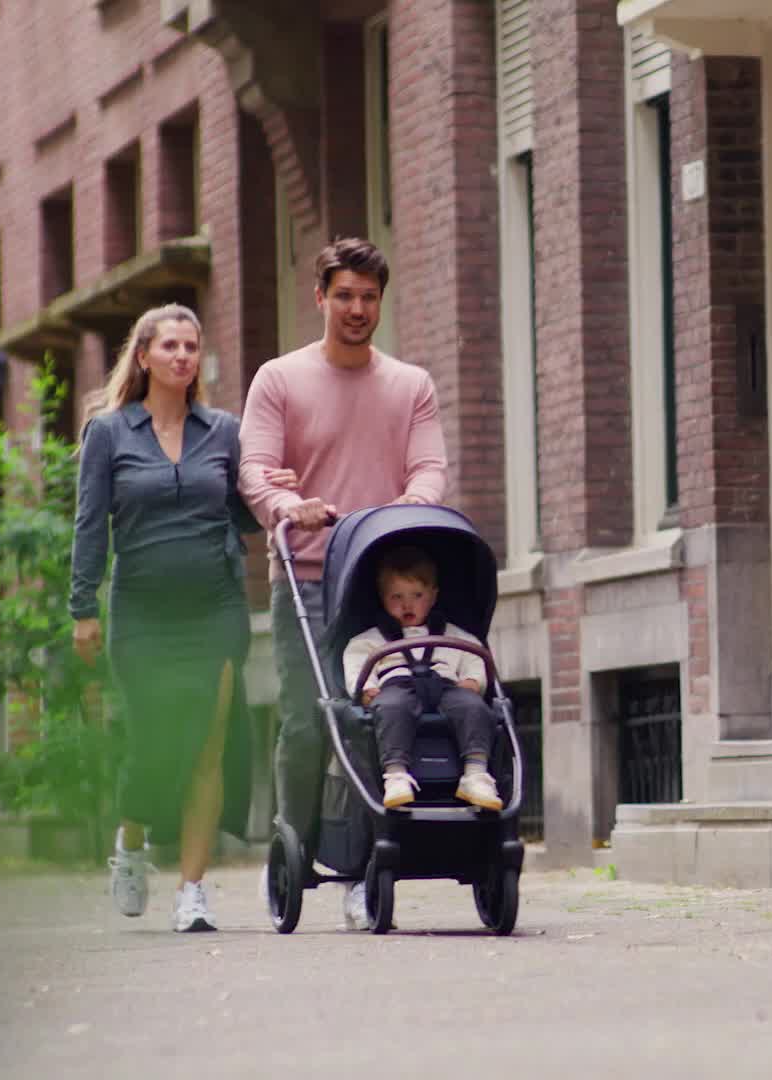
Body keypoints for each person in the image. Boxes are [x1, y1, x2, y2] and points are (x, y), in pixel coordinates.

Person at [239, 237, 449, 929]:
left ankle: (365, 870)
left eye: (369, 297)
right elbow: (256, 470)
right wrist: (286, 505)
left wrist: (412, 506)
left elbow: (429, 469)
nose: (357, 309)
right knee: (307, 723)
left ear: (381, 301)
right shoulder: (278, 379)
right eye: (345, 296)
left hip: (377, 583)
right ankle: (292, 848)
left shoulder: (411, 386)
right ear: (321, 297)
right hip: (305, 576)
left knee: (368, 720)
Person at [70, 303, 295, 933]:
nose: (182, 356)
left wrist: (274, 493)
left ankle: (192, 891)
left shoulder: (222, 431)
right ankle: (131, 840)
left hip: (214, 606)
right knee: (152, 740)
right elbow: (90, 524)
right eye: (169, 345)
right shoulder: (109, 433)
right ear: (143, 357)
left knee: (207, 744)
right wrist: (82, 608)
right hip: (141, 610)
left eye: (191, 346)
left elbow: (240, 511)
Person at [344, 546, 502, 811]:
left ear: (433, 596)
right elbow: (356, 664)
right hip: (396, 686)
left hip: (447, 686)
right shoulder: (370, 640)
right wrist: (366, 688)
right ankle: (395, 775)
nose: (407, 605)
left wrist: (474, 681)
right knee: (390, 708)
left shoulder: (453, 635)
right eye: (397, 597)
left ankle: (475, 773)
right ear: (382, 598)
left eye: (417, 595)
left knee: (474, 708)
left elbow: (475, 656)